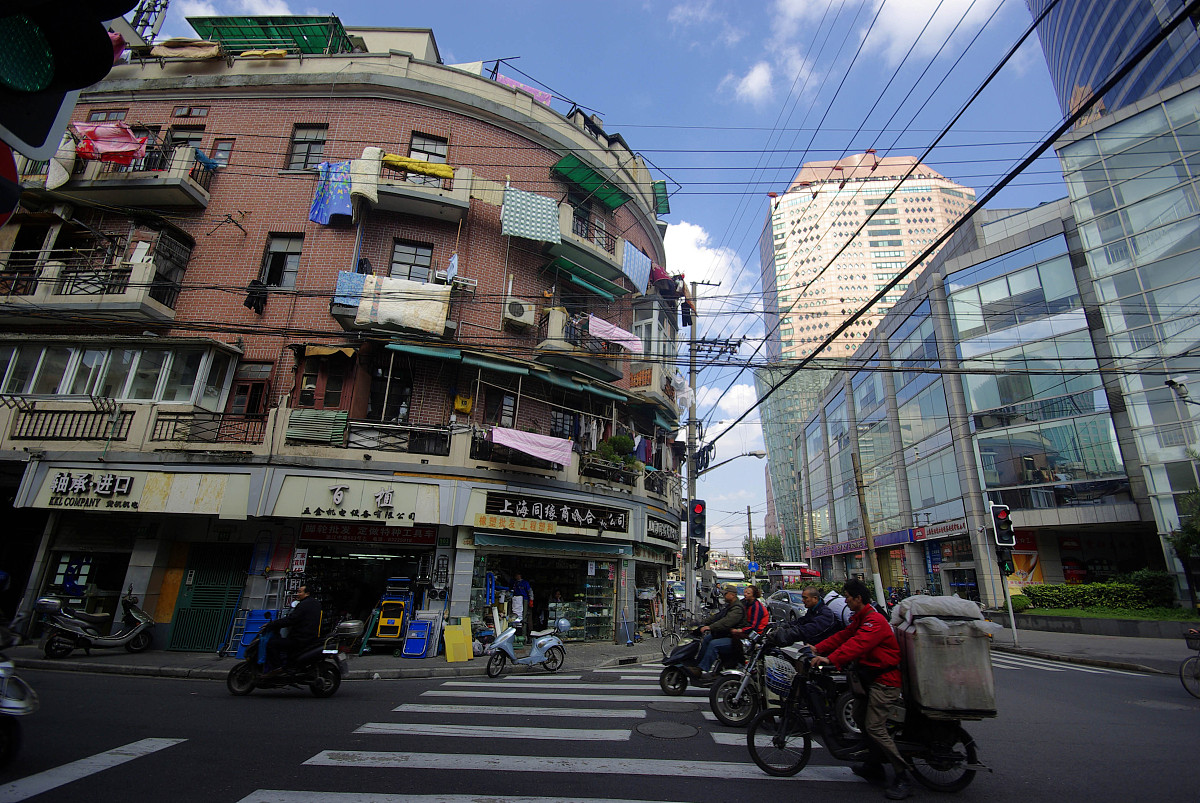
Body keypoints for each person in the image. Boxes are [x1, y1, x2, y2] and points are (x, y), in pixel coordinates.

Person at [811, 578, 910, 801]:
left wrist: (829, 659)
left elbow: (857, 645)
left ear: (858, 599)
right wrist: (818, 647)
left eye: (848, 597)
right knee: (858, 715)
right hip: (870, 680)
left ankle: (903, 775)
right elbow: (843, 636)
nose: (845, 600)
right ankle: (874, 765)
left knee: (874, 727)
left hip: (885, 682)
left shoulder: (873, 621)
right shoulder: (860, 618)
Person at [689, 585, 746, 680]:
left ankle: (702, 668)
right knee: (707, 639)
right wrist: (702, 622)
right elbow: (717, 616)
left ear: (732, 595)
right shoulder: (729, 606)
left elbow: (726, 622)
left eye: (725, 594)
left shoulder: (737, 609)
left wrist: (710, 627)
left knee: (713, 644)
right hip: (726, 635)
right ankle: (697, 666)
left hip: (735, 639)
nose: (723, 596)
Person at [263, 585, 322, 676]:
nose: (298, 594)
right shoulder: (316, 604)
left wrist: (273, 624)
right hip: (309, 637)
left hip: (300, 638)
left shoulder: (303, 605)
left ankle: (278, 669)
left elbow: (292, 619)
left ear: (307, 593)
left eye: (300, 592)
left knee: (272, 644)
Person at [769, 586, 839, 647]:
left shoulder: (825, 614)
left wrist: (785, 634)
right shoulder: (813, 610)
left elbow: (807, 630)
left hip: (823, 651)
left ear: (815, 598)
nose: (803, 600)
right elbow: (801, 621)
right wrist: (780, 625)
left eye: (805, 598)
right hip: (813, 646)